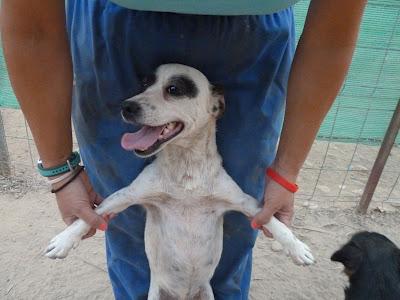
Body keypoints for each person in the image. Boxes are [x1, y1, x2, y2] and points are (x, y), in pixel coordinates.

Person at [0, 0, 366, 299]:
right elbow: (32, 26)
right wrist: (61, 172)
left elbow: (333, 33)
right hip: (114, 25)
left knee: (236, 239)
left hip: (255, 34)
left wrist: (286, 173)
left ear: (215, 108)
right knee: (130, 242)